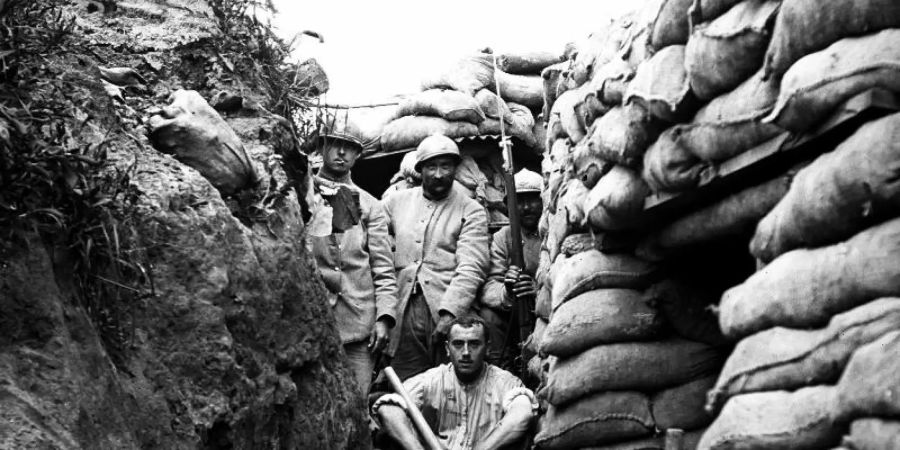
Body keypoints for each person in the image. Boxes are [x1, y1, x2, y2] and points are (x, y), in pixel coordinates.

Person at [382, 134, 490, 381]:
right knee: (406, 386)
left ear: (455, 168)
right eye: (431, 166)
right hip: (403, 308)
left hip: (446, 308)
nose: (439, 174)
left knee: (449, 384)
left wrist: (450, 314)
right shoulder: (395, 202)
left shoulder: (470, 209)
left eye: (446, 166)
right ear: (420, 170)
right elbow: (373, 239)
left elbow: (472, 266)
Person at [306, 123, 399, 399]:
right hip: (315, 320)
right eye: (335, 144)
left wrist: (384, 318)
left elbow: (383, 267)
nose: (342, 152)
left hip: (358, 323)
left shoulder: (371, 206)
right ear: (322, 147)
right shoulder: (304, 195)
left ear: (358, 155)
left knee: (356, 404)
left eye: (351, 148)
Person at [373, 315, 537, 450]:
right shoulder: (433, 379)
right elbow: (389, 409)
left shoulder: (504, 382)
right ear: (447, 348)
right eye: (458, 344)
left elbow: (522, 415)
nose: (466, 352)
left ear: (487, 348)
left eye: (474, 344)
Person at [478, 169, 543, 365]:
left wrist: (539, 290)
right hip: (515, 313)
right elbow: (489, 287)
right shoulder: (503, 237)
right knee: (488, 317)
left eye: (532, 200)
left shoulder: (552, 231)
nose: (526, 208)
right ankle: (503, 368)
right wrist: (507, 291)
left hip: (548, 309)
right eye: (519, 202)